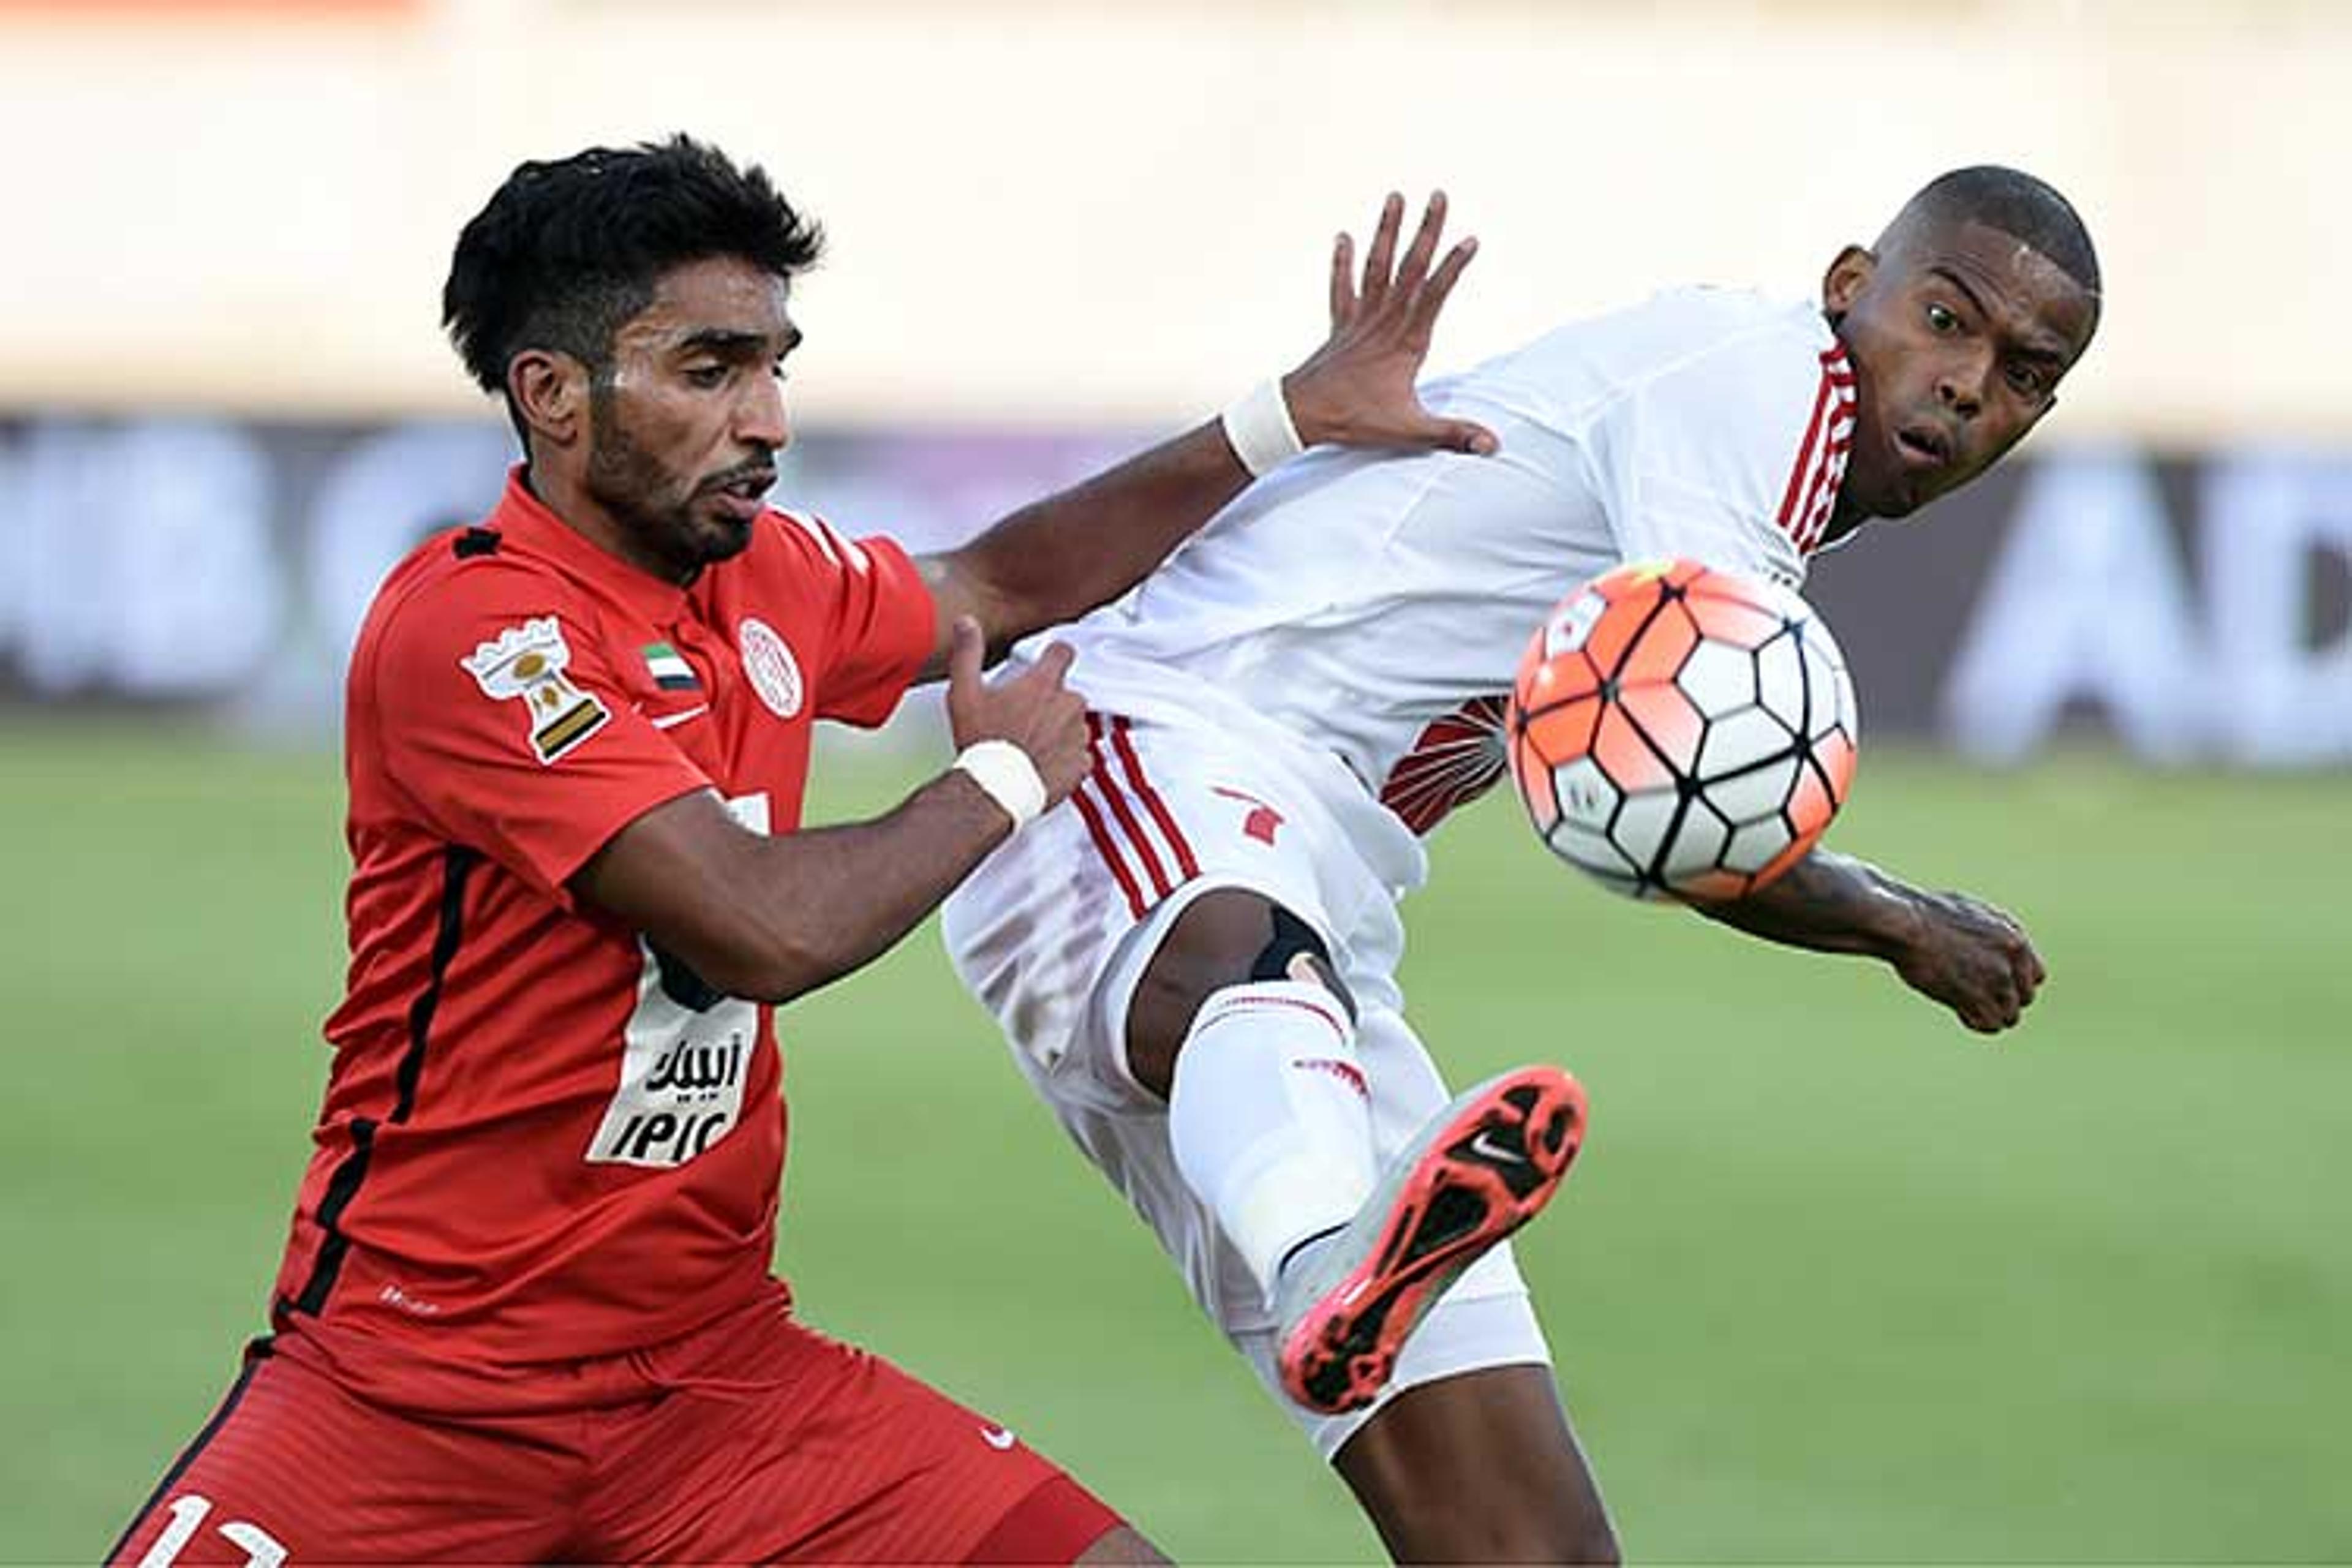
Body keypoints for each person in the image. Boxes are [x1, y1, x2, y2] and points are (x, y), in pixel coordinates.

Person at [105, 135, 1506, 1566]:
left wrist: (1286, 417)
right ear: (554, 395)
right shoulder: (478, 635)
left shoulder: (763, 576)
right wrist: (998, 780)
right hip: (416, 1394)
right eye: (710, 369)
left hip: (711, 1384)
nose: (766, 416)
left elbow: (999, 581)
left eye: (775, 363)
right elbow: (759, 926)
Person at [941, 164, 2101, 1563]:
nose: (1972, 385)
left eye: (2027, 372)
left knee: (1530, 1545)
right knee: (1245, 959)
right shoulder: (1766, 384)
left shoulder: (1788, 452)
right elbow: (1686, 790)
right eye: (1946, 319)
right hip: (1149, 744)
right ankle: (1326, 1252)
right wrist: (1903, 919)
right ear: (1851, 285)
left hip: (1323, 902)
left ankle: (1337, 1255)